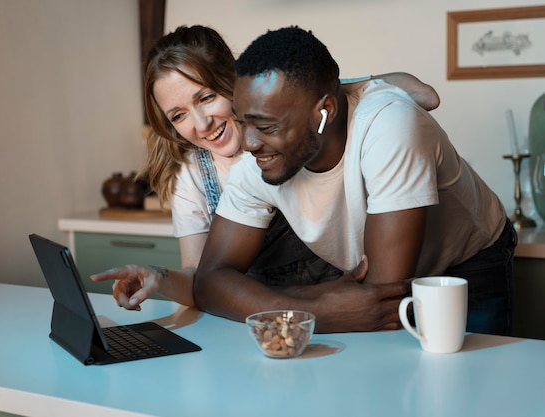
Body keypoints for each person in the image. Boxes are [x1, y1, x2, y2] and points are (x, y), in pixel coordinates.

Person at [91, 25, 441, 319]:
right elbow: (202, 280)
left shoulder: (304, 134)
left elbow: (422, 95)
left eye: (207, 97)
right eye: (178, 115)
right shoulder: (195, 176)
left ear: (236, 82)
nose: (201, 124)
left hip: (350, 301)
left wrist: (357, 88)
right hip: (270, 315)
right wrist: (161, 277)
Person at [193, 26, 515, 335]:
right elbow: (208, 283)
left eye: (266, 126)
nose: (248, 143)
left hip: (464, 266)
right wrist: (317, 307)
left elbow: (381, 301)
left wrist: (298, 305)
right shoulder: (262, 155)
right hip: (379, 278)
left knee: (458, 383)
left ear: (325, 111)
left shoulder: (389, 124)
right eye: (242, 122)